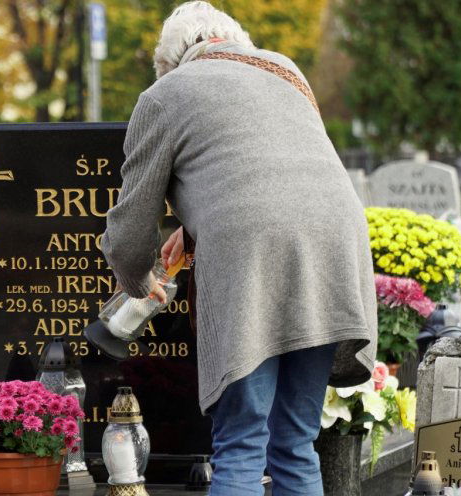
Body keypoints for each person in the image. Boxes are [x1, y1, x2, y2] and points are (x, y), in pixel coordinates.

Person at [99, 2, 377, 495]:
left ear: (171, 61)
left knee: (242, 442)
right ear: (235, 40)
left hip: (252, 257)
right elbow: (274, 167)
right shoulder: (285, 69)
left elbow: (128, 231)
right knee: (295, 440)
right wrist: (191, 229)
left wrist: (139, 286)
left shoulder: (167, 92)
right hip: (333, 248)